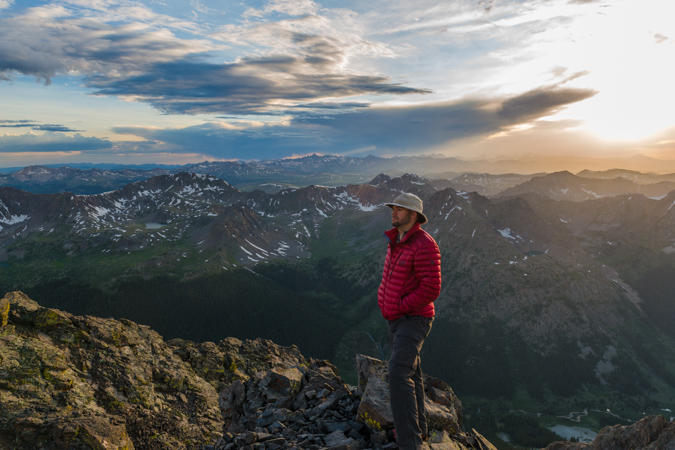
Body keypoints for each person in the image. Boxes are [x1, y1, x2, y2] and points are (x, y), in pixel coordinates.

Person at [377, 192, 441, 450]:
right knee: (410, 372)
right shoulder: (397, 239)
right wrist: (388, 305)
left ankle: (409, 443)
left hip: (413, 320)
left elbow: (431, 288)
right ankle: (420, 430)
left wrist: (400, 307)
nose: (393, 212)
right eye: (393, 207)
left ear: (413, 215)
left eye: (399, 209)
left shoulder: (424, 244)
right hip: (397, 319)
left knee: (397, 373)